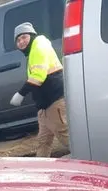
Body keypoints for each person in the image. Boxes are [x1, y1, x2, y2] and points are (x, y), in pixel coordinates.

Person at [9, 22, 69, 158]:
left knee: (66, 137)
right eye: (18, 40)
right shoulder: (34, 50)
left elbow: (38, 76)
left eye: (23, 37)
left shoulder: (39, 46)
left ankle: (91, 165)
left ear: (31, 35)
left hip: (54, 103)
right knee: (43, 142)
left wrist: (21, 93)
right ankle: (42, 172)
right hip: (44, 108)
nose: (21, 42)